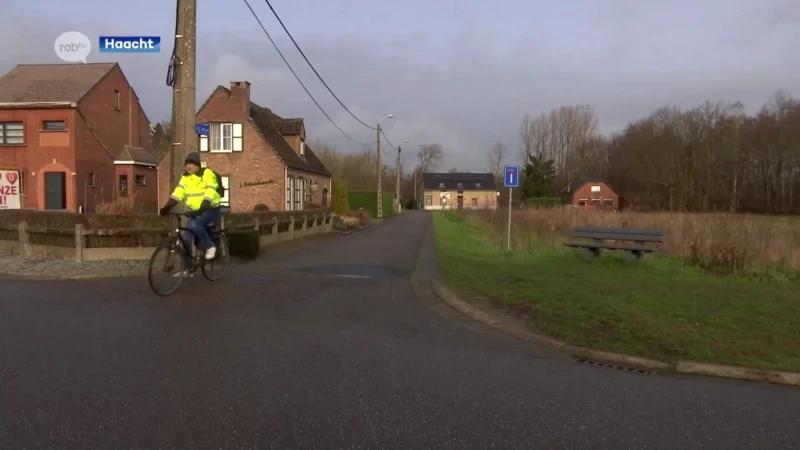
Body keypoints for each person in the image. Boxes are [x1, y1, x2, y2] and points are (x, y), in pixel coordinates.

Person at [159, 152, 221, 277]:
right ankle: (189, 269)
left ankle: (210, 247)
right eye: (187, 163)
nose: (188, 166)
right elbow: (178, 193)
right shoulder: (185, 178)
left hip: (210, 208)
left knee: (194, 225)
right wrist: (168, 206)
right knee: (186, 239)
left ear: (197, 165)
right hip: (194, 211)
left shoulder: (206, 174)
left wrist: (205, 204)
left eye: (191, 163)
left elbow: (210, 189)